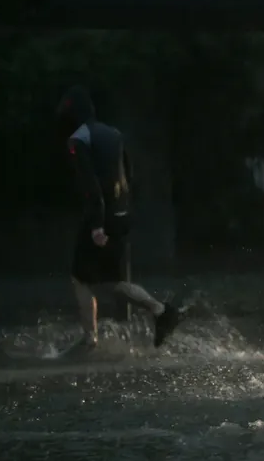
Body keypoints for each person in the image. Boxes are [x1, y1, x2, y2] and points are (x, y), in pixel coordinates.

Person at [56, 85, 181, 351]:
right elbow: (128, 173)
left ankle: (90, 339)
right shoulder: (114, 134)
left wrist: (97, 224)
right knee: (113, 281)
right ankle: (161, 311)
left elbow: (90, 185)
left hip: (101, 217)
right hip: (121, 212)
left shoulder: (78, 140)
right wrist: (123, 209)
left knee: (80, 278)